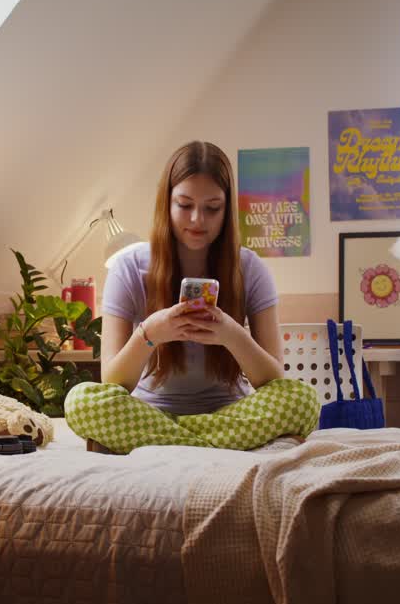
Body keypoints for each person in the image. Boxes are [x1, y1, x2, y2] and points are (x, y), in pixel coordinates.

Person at [64, 141, 320, 453]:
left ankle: (170, 441)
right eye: (185, 205)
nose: (198, 219)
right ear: (166, 204)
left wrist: (231, 334)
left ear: (226, 210)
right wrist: (150, 333)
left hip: (228, 414)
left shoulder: (249, 268)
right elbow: (113, 382)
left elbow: (273, 379)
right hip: (152, 414)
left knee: (302, 400)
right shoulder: (127, 267)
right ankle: (213, 443)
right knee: (80, 401)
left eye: (212, 208)